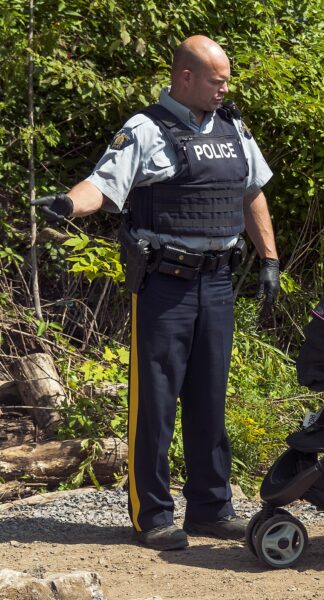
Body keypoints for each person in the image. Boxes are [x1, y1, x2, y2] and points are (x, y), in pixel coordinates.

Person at [33, 36, 280, 551]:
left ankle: (212, 508)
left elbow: (250, 190)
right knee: (157, 400)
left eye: (227, 80)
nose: (225, 89)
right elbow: (102, 184)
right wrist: (67, 205)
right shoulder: (146, 130)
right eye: (217, 80)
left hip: (217, 280)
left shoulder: (232, 127)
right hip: (165, 283)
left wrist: (270, 260)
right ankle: (154, 516)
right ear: (185, 77)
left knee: (210, 398)